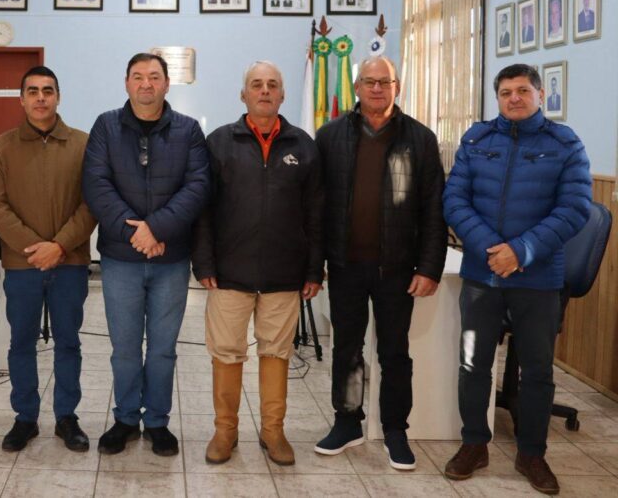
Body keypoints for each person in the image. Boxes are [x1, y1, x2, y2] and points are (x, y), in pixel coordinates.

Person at [442, 64, 592, 494]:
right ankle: (474, 444)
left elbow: (575, 208)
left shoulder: (565, 144)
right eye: (506, 92)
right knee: (473, 364)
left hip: (538, 278)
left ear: (540, 95)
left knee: (537, 370)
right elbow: (455, 200)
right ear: (498, 98)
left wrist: (521, 251)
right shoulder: (476, 140)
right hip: (483, 272)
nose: (514, 98)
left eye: (523, 90)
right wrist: (493, 249)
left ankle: (532, 454)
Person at [313, 56, 447, 470]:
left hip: (398, 269)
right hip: (345, 265)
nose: (376, 88)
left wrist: (429, 267)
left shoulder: (420, 139)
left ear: (397, 87)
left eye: (384, 82)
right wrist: (315, 263)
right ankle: (347, 422)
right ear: (356, 87)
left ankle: (394, 430)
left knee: (394, 353)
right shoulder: (329, 136)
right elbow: (316, 206)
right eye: (369, 81)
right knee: (347, 349)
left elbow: (434, 209)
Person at [192, 62, 323, 466]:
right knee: (226, 353)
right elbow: (202, 209)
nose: (264, 91)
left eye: (272, 85)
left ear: (283, 95)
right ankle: (225, 431)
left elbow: (316, 214)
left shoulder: (304, 146)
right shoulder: (218, 143)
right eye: (256, 84)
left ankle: (273, 431)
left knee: (276, 352)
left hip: (284, 274)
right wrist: (204, 262)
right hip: (229, 274)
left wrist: (313, 269)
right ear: (243, 94)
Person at [82, 53, 210, 457]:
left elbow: (197, 186)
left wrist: (157, 229)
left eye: (154, 77)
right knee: (123, 348)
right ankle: (124, 418)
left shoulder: (188, 130)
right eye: (138, 77)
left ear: (167, 84)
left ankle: (156, 421)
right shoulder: (105, 126)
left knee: (162, 349)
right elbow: (96, 184)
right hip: (121, 259)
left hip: (171, 260)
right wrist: (136, 233)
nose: (146, 84)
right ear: (126, 83)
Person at [0, 66, 98, 453]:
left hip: (70, 262)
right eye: (32, 91)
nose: (40, 98)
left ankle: (67, 418)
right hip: (22, 265)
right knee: (21, 343)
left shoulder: (83, 144)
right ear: (21, 99)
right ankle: (25, 418)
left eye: (48, 91)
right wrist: (35, 247)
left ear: (58, 97)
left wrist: (60, 246)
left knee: (68, 342)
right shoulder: (2, 147)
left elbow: (92, 203)